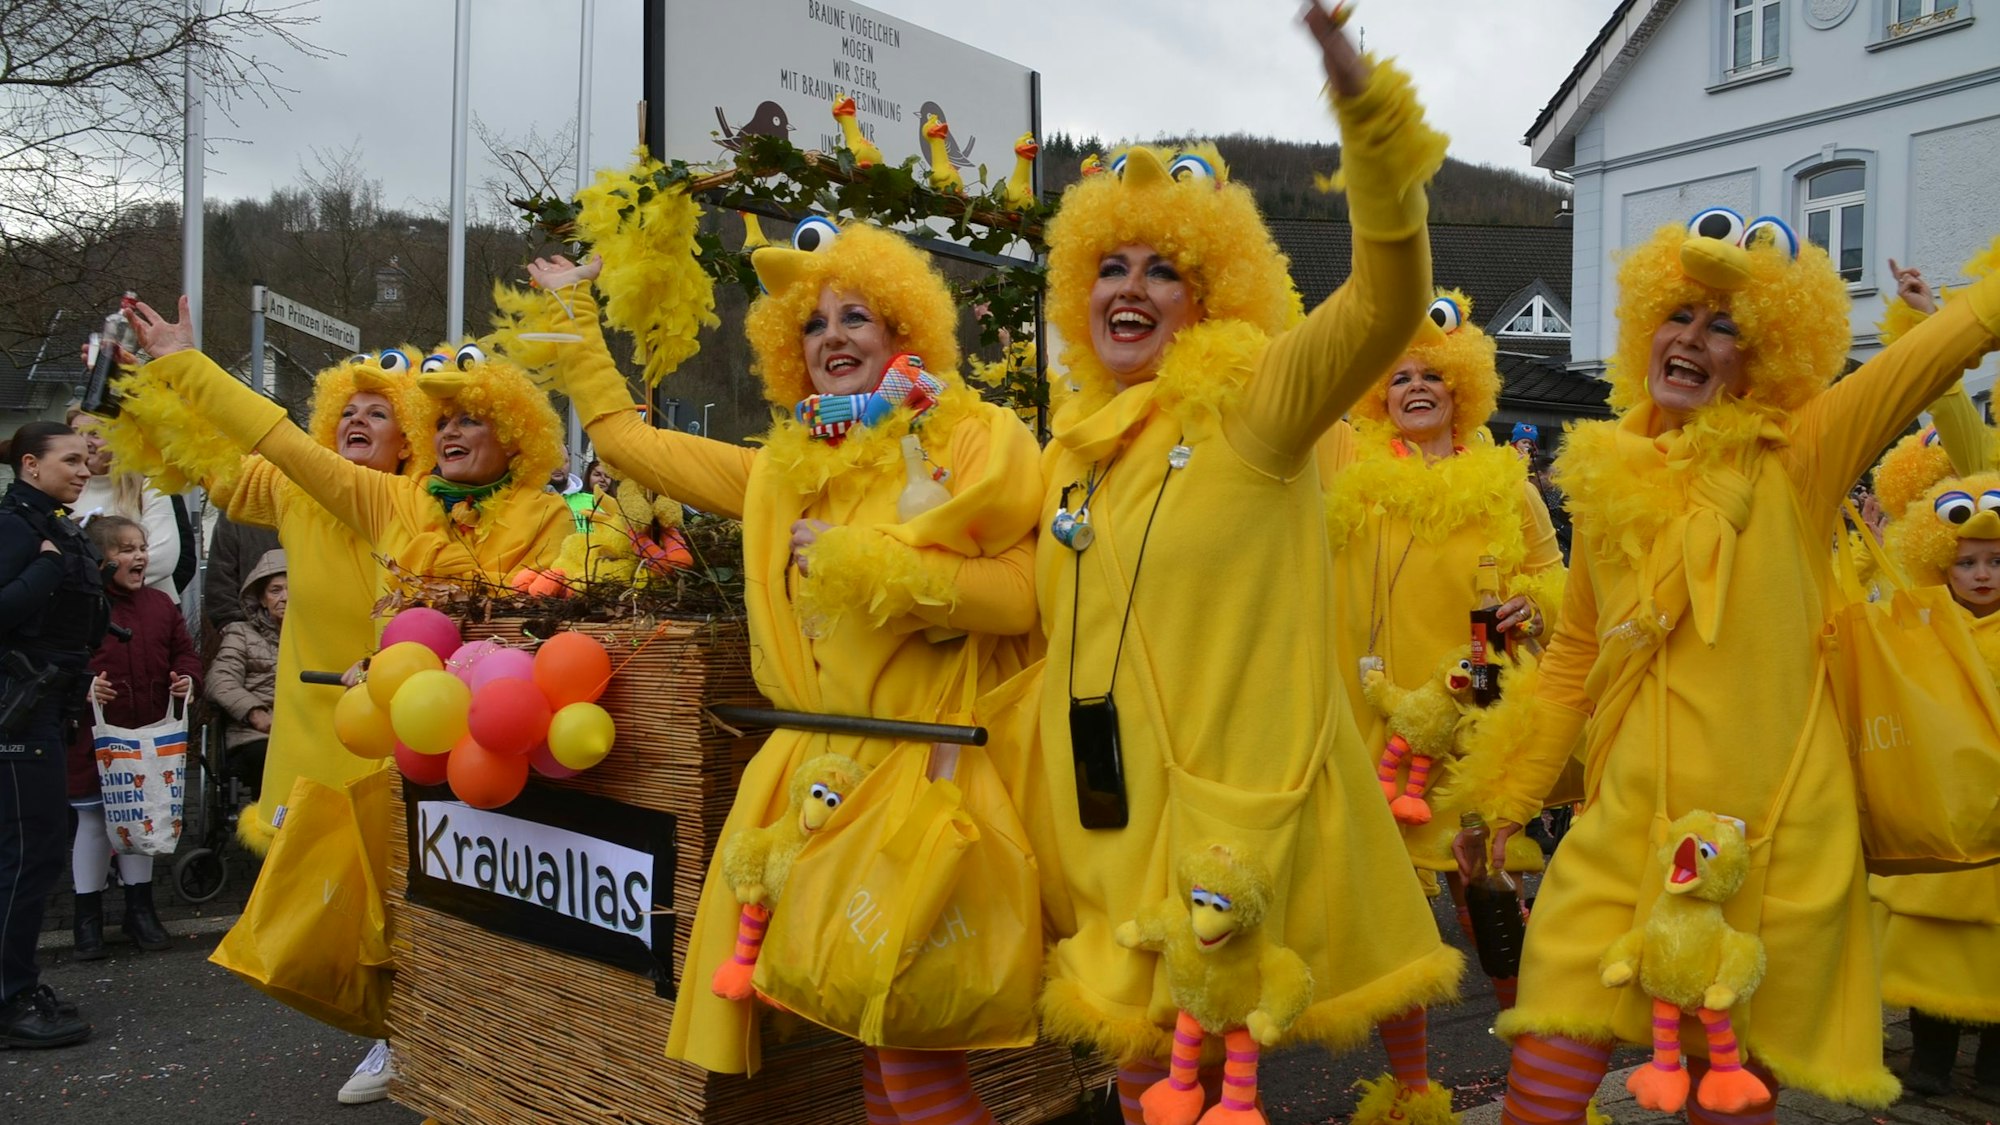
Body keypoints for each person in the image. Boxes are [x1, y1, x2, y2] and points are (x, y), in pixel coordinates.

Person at [995, 10, 1459, 1124]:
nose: (1132, 286)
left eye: (1164, 270)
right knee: (1144, 1088)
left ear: (1206, 299)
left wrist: (1362, 108)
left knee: (1209, 1090)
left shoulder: (1257, 408)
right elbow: (1037, 607)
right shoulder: (1069, 458)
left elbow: (1387, 300)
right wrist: (869, 568)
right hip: (1107, 827)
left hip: (1226, 841)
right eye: (1111, 263)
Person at [1452, 213, 2000, 1120]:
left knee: (1727, 1092)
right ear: (1644, 334)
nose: (1695, 340)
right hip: (1623, 830)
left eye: (1728, 326)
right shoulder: (1603, 480)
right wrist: (1510, 799)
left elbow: (1940, 349)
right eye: (1680, 316)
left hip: (1773, 843)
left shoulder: (1804, 454)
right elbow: (1574, 656)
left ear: (1770, 356)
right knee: (1543, 1080)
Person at [527, 220, 1040, 1123]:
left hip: (925, 774)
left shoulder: (970, 436)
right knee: (874, 1045)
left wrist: (866, 562)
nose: (833, 335)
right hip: (817, 781)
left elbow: (1018, 598)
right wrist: (573, 316)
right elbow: (624, 441)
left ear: (902, 334)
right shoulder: (779, 469)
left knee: (913, 1053)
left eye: (858, 316)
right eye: (813, 323)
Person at [1317, 290, 1566, 1122]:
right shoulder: (1352, 467)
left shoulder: (1508, 481)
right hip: (1381, 721)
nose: (1416, 386)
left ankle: (1537, 1081)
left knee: (1488, 894)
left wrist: (1533, 609)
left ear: (1464, 389)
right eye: (1399, 376)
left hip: (1477, 720)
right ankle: (1413, 1094)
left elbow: (1553, 582)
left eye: (1432, 375)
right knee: (1396, 923)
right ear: (1378, 397)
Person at [126, 301, 573, 594]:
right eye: (439, 423)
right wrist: (154, 393)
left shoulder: (542, 514)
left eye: (378, 414)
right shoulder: (370, 498)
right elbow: (256, 448)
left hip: (431, 720)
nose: (357, 419)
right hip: (316, 719)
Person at [1874, 470, 2000, 1099]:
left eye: (1997, 561)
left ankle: (1995, 1061)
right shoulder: (1920, 625)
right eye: (1967, 561)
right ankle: (1930, 1057)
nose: (1983, 575)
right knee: (1931, 948)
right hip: (1940, 806)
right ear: (1939, 562)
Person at [0, 422, 106, 1048]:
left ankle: (17, 984)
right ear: (31, 466)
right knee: (27, 852)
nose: (83, 467)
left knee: (37, 849)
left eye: (86, 458)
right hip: (16, 711)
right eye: (70, 459)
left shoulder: (52, 526)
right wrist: (44, 571)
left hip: (45, 707)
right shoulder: (17, 527)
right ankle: (9, 1001)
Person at [67, 515, 200, 958]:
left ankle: (139, 910)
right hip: (94, 738)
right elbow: (64, 661)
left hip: (149, 735)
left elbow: (184, 652)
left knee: (142, 818)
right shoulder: (82, 606)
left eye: (140, 547)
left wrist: (185, 679)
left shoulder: (161, 606)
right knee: (94, 823)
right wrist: (85, 685)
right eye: (125, 549)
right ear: (100, 559)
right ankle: (86, 918)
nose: (138, 556)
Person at [66, 407, 187, 605]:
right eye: (76, 433)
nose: (84, 442)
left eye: (95, 434)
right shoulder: (63, 491)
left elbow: (163, 558)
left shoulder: (148, 487)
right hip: (83, 609)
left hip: (146, 610)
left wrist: (93, 582)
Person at [205, 548, 286, 802]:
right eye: (275, 590)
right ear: (262, 598)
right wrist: (255, 712)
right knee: (272, 758)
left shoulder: (315, 635)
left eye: (292, 588)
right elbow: (220, 680)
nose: (285, 597)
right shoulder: (241, 633)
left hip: (306, 728)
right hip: (256, 733)